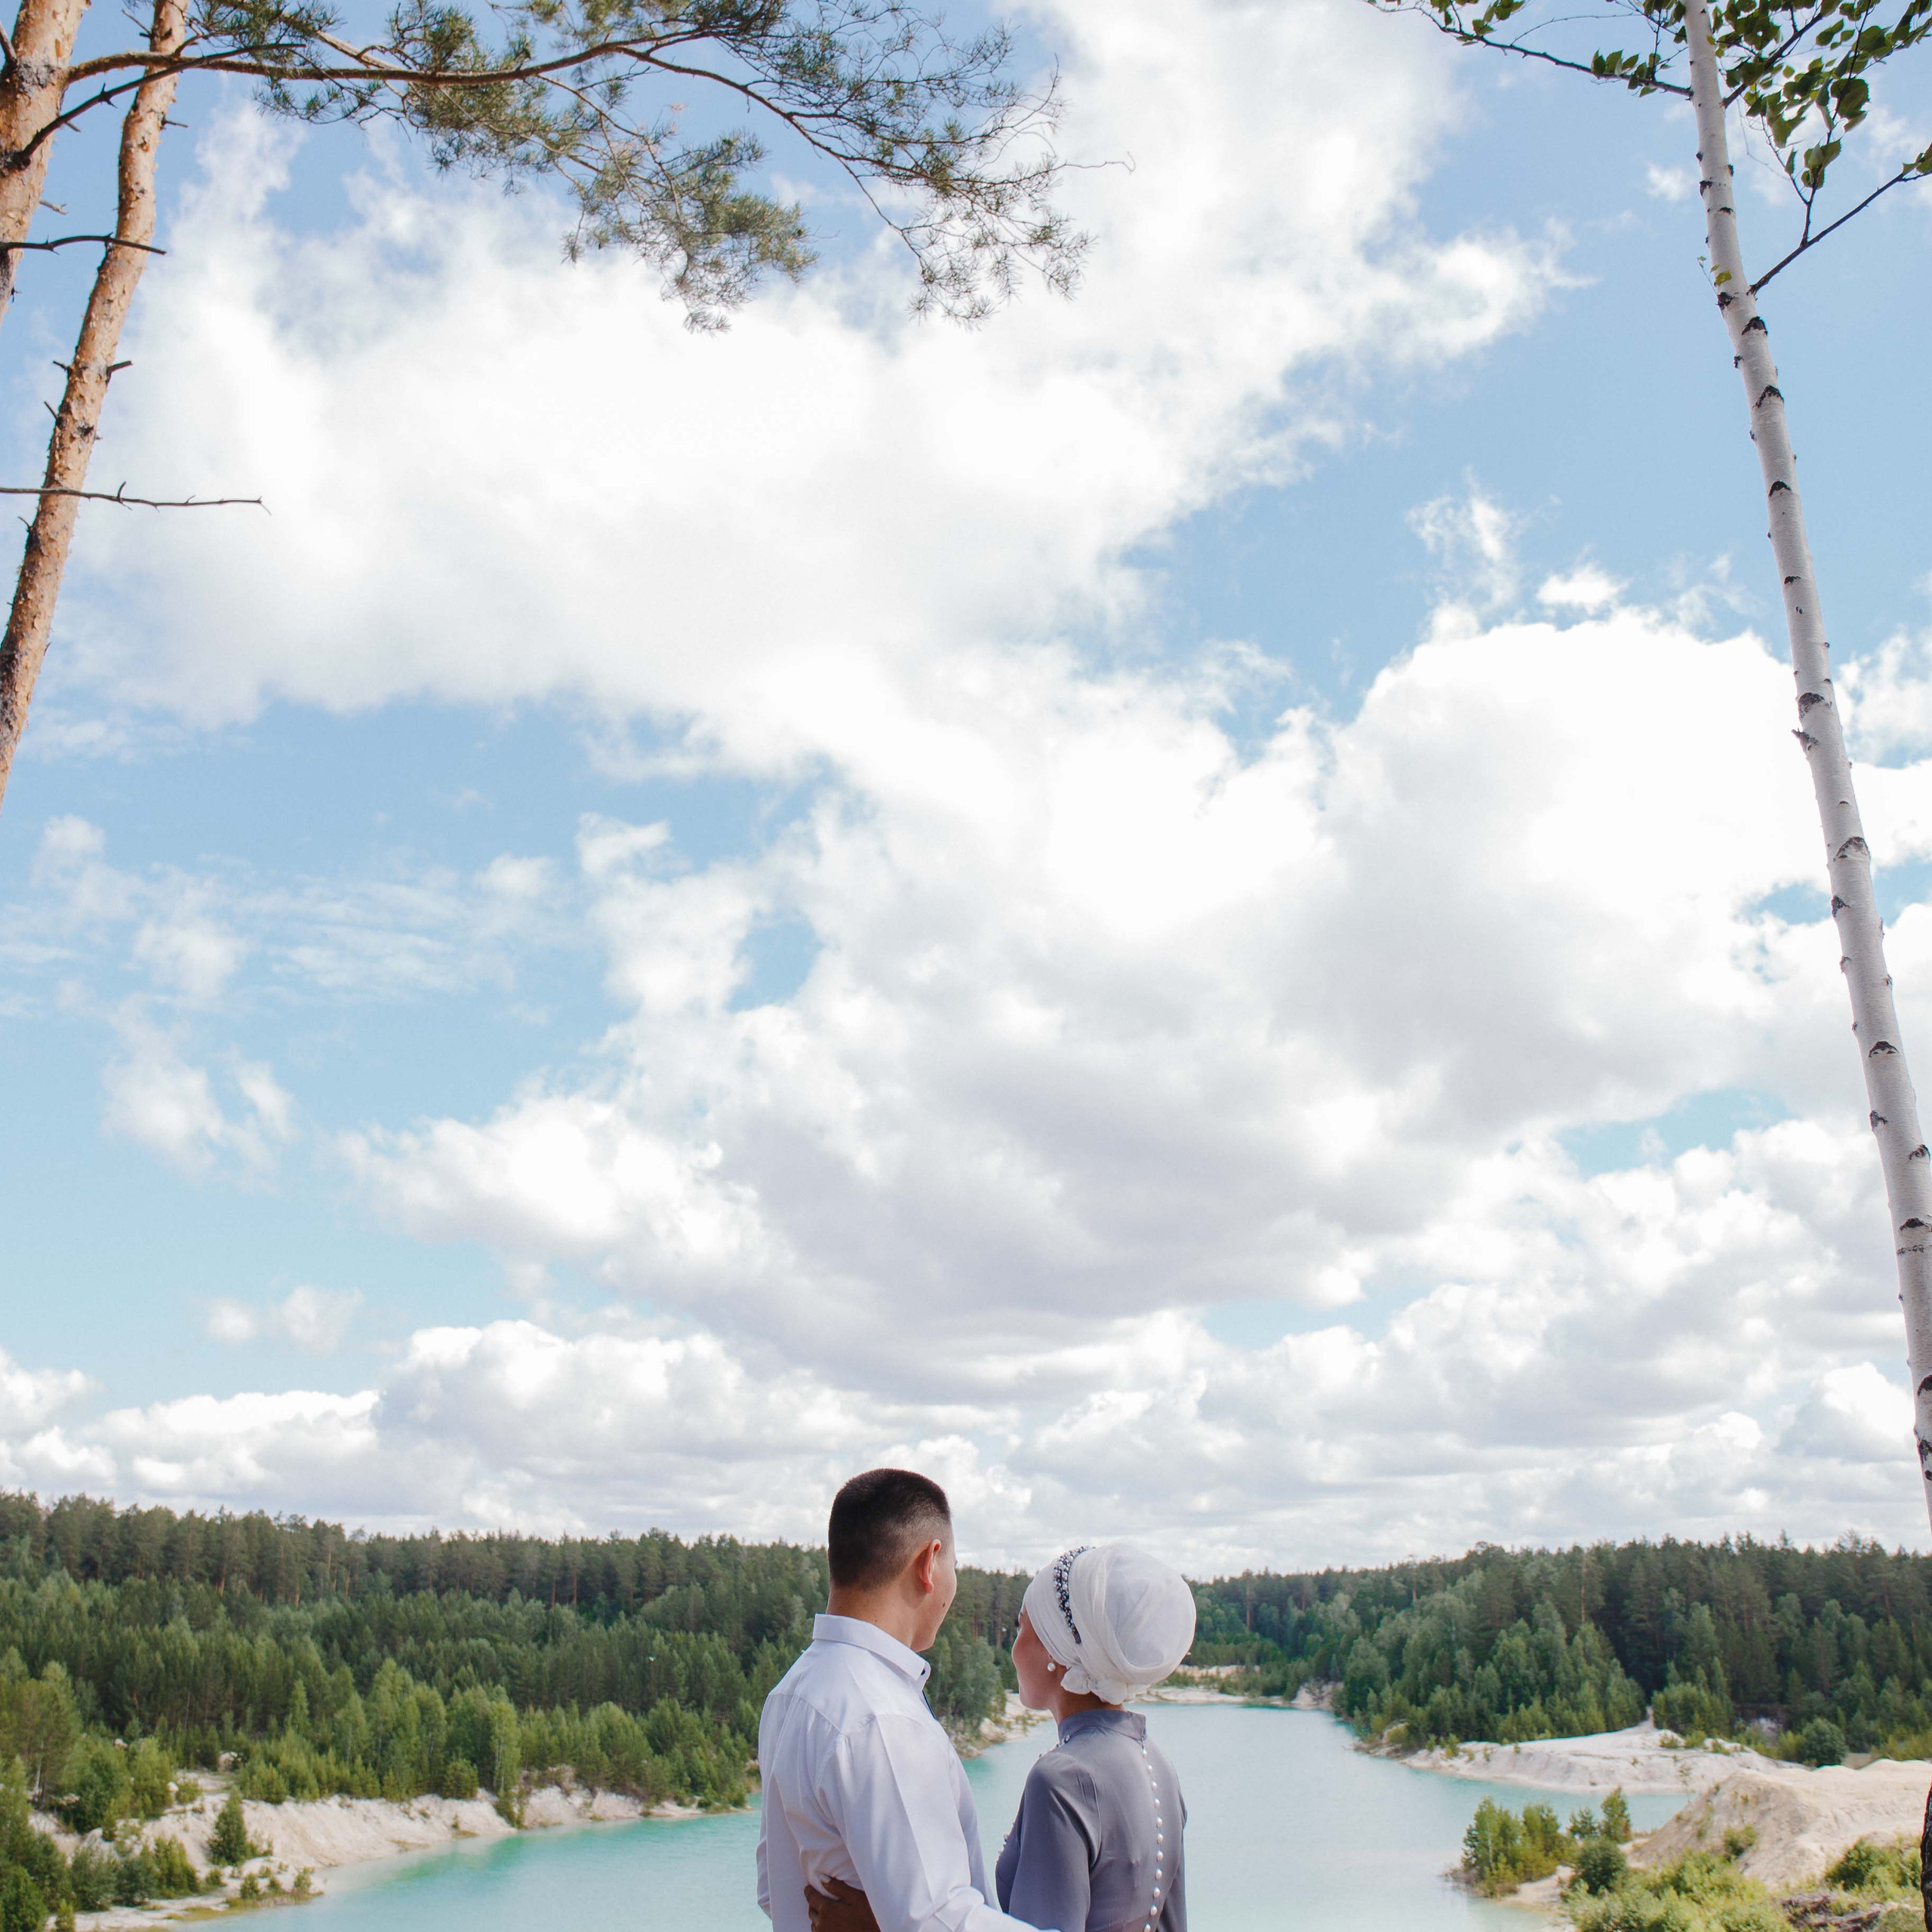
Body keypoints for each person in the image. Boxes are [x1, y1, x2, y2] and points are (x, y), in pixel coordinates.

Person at [807, 1541, 1196, 1932]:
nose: (1013, 1648)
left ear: (1055, 1652)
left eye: (1022, 1625)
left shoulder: (1062, 1779)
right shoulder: (1159, 1764)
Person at [758, 1468, 1044, 1932]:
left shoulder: (789, 1693)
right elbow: (936, 1920)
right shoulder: (883, 1718)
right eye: (955, 1565)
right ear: (928, 1564)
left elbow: (774, 1889)